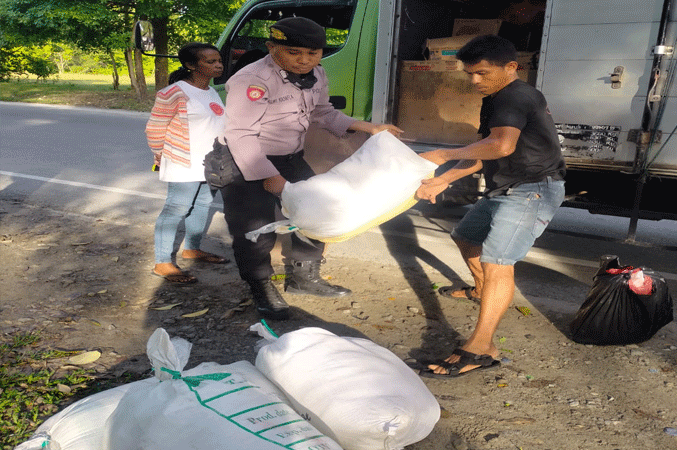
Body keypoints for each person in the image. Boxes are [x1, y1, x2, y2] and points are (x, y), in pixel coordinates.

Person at [221, 17, 402, 320]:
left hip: (291, 158)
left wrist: (370, 127)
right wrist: (270, 175)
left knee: (317, 211)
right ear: (272, 47)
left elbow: (323, 114)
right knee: (255, 230)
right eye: (294, 53)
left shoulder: (316, 73)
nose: (305, 61)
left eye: (313, 53)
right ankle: (261, 287)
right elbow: (240, 135)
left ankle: (304, 277)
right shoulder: (252, 80)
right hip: (248, 161)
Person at [416, 35, 566, 377]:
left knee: (497, 261)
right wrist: (442, 180)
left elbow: (500, 146)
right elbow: (485, 149)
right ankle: (482, 290)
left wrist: (443, 155)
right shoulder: (497, 97)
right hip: (507, 187)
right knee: (465, 236)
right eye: (469, 74)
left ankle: (483, 347)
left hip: (532, 190)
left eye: (482, 73)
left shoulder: (515, 96)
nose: (474, 81)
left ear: (510, 67)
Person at [147, 42, 229, 284]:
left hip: (211, 161)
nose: (218, 65)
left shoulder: (211, 91)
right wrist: (160, 156)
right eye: (210, 61)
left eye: (219, 61)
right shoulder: (174, 92)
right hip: (183, 160)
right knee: (176, 209)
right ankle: (162, 263)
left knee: (203, 204)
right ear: (191, 65)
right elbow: (155, 128)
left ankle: (192, 249)